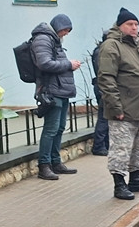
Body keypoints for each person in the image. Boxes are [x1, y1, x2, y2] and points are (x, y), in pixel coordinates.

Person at [97, 8, 139, 201]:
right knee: (121, 148)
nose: (134, 27)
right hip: (124, 110)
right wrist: (116, 107)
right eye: (129, 24)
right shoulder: (112, 46)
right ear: (120, 26)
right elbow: (106, 78)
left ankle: (136, 179)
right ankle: (119, 184)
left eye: (136, 24)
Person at [31, 14, 82, 180]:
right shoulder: (43, 39)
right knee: (51, 129)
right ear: (59, 26)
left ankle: (55, 161)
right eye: (65, 29)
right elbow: (44, 63)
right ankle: (44, 165)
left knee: (59, 128)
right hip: (51, 91)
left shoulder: (54, 40)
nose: (66, 33)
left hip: (61, 90)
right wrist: (69, 64)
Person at [90, 32, 110, 156]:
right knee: (104, 117)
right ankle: (99, 146)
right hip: (103, 87)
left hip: (103, 86)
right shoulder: (101, 52)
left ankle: (105, 145)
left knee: (106, 117)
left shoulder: (101, 51)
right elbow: (102, 71)